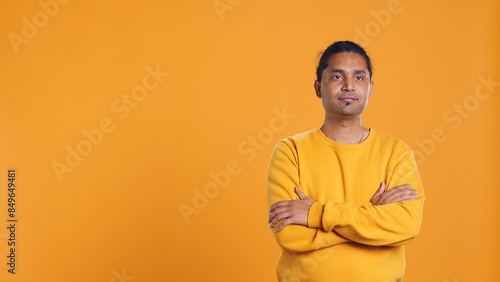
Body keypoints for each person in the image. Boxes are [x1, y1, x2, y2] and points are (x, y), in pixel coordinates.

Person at [267, 40, 424, 281]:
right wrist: (372, 216)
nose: (349, 86)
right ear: (318, 88)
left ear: (371, 88)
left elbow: (406, 227)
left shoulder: (396, 153)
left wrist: (316, 215)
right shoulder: (291, 151)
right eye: (337, 77)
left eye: (359, 78)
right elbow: (290, 236)